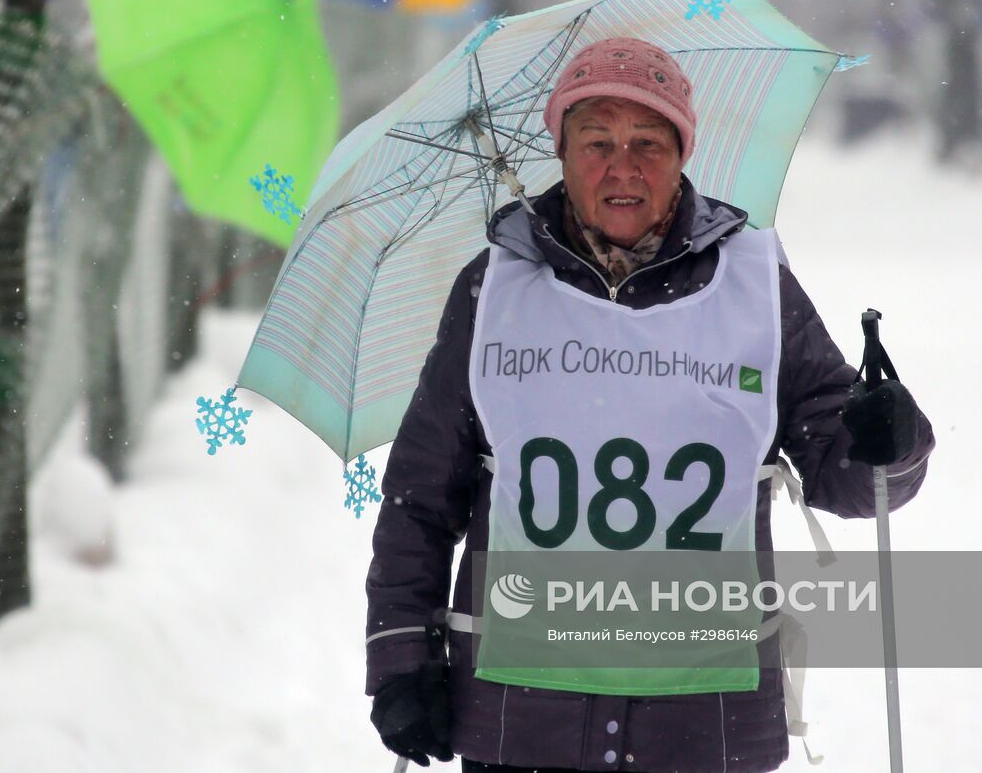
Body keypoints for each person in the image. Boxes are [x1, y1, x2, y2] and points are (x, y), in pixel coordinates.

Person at [365, 38, 935, 773]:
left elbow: (849, 479)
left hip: (703, 727)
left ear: (683, 154)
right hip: (521, 723)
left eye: (648, 142)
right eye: (596, 141)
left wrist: (891, 437)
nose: (621, 165)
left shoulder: (754, 286)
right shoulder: (494, 290)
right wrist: (401, 660)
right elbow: (420, 496)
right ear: (563, 155)